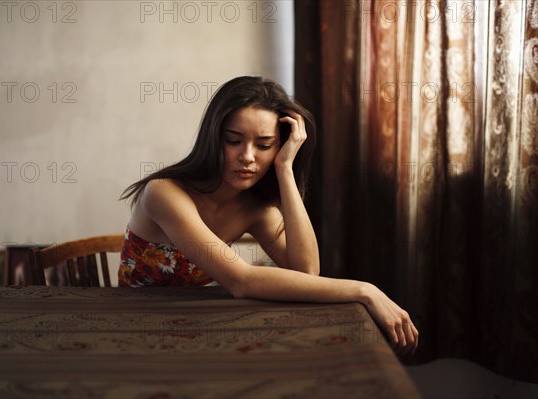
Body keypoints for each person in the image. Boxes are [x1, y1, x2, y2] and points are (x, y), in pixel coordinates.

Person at [119, 76, 418, 354]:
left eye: (264, 145)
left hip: (196, 321)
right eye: (233, 140)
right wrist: (365, 290)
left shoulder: (255, 208)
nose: (247, 156)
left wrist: (285, 170)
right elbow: (241, 281)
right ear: (212, 138)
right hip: (133, 325)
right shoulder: (163, 192)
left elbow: (305, 272)